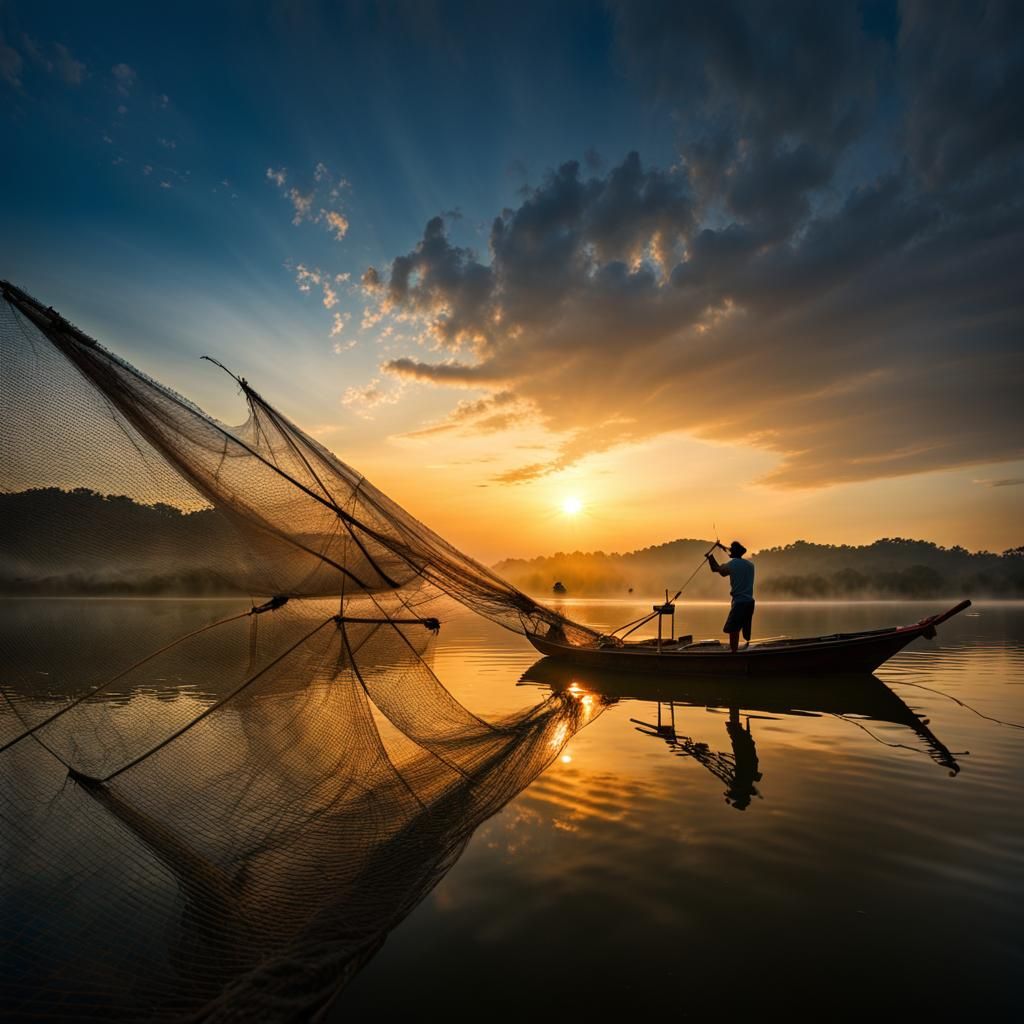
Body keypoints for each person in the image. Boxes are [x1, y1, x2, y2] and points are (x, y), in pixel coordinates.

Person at [707, 540, 755, 652]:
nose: (729, 551)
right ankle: (745, 651)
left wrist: (710, 558)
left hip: (739, 602)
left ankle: (734, 654)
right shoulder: (750, 565)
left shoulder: (732, 564)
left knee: (732, 629)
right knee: (746, 630)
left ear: (734, 552)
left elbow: (717, 569)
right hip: (750, 602)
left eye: (731, 550)